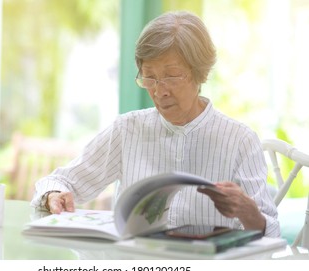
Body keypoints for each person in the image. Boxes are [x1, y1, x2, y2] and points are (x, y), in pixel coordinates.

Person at [31, 10, 280, 237]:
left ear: (199, 73)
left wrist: (250, 214)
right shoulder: (127, 130)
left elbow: (272, 234)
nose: (160, 91)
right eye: (150, 77)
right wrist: (53, 195)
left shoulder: (239, 140)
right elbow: (61, 181)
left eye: (171, 76)